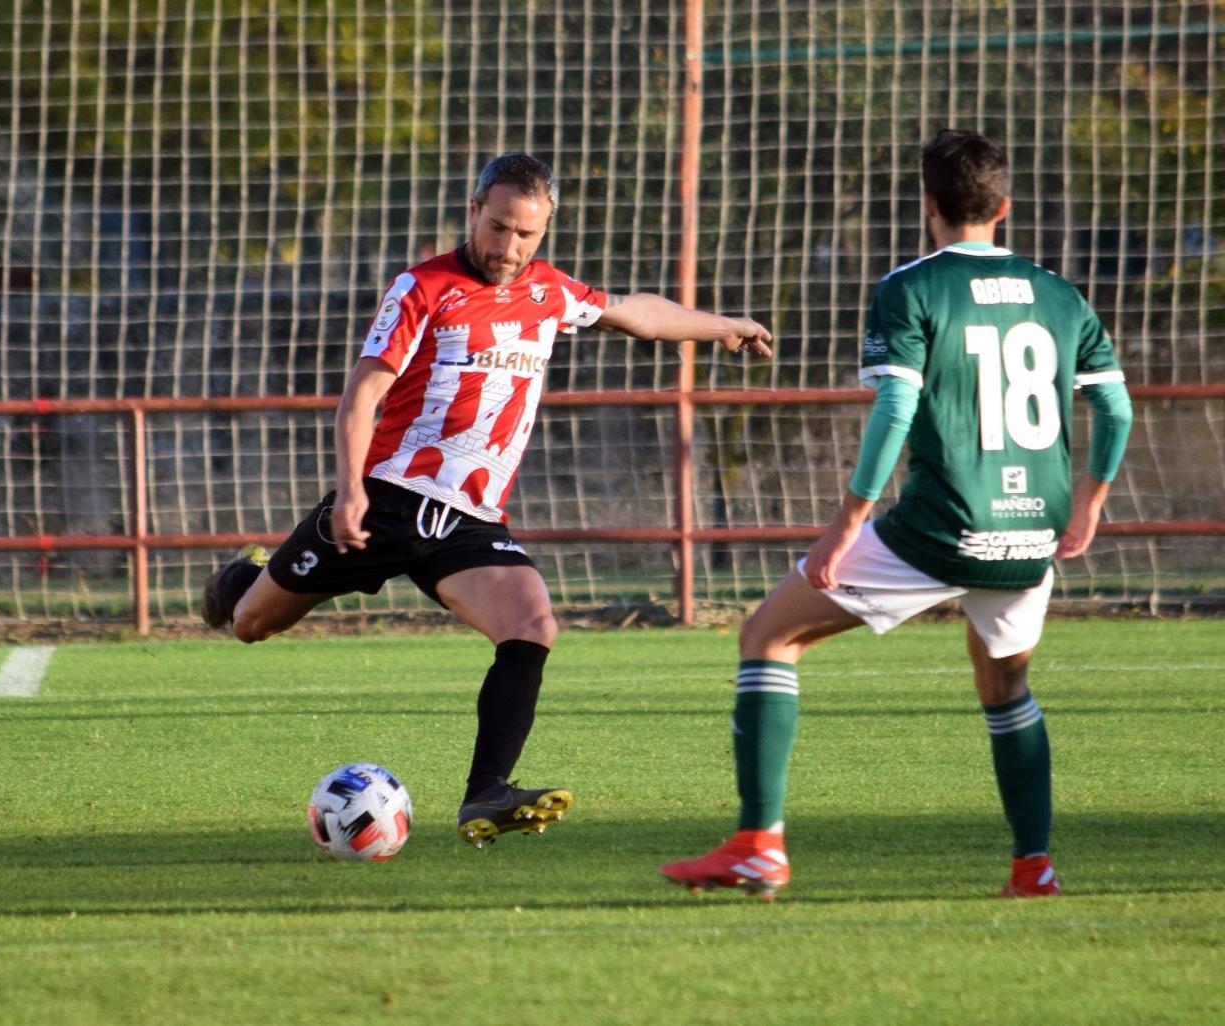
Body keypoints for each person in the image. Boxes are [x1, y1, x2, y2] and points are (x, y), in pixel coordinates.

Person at [201, 152, 773, 848]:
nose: (510, 248)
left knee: (531, 625)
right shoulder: (423, 287)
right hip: (386, 501)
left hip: (466, 521)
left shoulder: (548, 292)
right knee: (251, 623)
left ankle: (486, 794)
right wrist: (350, 489)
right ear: (474, 212)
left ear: (544, 231)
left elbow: (637, 314)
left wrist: (723, 325)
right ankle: (238, 581)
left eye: (526, 235)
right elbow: (363, 395)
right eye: (499, 228)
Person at [659, 129, 1133, 899]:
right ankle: (1033, 864)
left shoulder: (911, 287)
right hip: (1031, 533)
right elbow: (1114, 405)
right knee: (1005, 687)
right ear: (1003, 207)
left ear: (927, 204)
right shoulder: (1058, 293)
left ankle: (759, 845)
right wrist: (1091, 499)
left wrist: (849, 522)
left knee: (768, 635)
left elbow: (899, 402)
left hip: (941, 526)